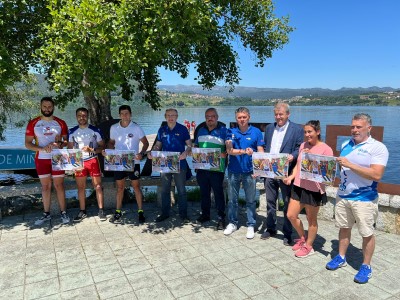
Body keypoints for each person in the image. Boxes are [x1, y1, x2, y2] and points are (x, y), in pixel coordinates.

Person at [326, 113, 389, 284]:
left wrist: (350, 165)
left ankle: (366, 266)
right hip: (343, 195)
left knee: (366, 233)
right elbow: (342, 167)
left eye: (358, 127)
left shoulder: (377, 148)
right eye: (352, 126)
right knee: (344, 228)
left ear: (369, 128)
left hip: (364, 198)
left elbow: (377, 174)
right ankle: (341, 257)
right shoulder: (347, 144)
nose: (354, 130)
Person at [283, 120, 333, 257]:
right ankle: (302, 237)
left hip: (314, 190)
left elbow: (327, 173)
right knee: (291, 215)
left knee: (312, 220)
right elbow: (298, 166)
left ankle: (309, 247)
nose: (307, 134)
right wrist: (291, 177)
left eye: (310, 131)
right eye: (305, 132)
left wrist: (310, 159)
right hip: (299, 186)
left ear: (318, 132)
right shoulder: (303, 146)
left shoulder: (326, 149)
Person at [262, 102, 303, 245]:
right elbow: (266, 147)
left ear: (288, 114)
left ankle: (287, 233)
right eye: (276, 114)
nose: (278, 117)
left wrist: (293, 155)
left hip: (286, 173)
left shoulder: (297, 129)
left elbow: (300, 148)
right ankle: (271, 228)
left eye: (281, 114)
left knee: (287, 203)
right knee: (270, 202)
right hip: (270, 172)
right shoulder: (268, 128)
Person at [25, 97, 70, 225]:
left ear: (53, 107)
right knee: (45, 187)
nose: (47, 109)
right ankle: (46, 214)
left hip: (58, 157)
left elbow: (66, 142)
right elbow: (28, 144)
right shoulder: (33, 123)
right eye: (44, 107)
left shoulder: (61, 122)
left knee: (59, 186)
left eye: (49, 107)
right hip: (41, 159)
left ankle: (63, 213)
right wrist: (42, 148)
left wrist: (59, 142)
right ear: (40, 107)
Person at [223, 107, 265, 239]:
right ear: (236, 119)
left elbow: (261, 151)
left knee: (251, 200)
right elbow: (229, 150)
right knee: (232, 200)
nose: (242, 120)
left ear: (249, 118)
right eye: (239, 117)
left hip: (250, 172)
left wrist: (258, 167)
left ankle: (251, 224)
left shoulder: (257, 132)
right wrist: (242, 151)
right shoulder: (230, 132)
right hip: (233, 171)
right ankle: (232, 223)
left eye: (244, 117)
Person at [148, 108, 192, 223]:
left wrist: (186, 152)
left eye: (173, 115)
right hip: (164, 164)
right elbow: (158, 145)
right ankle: (165, 213)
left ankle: (183, 214)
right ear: (165, 116)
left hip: (180, 163)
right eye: (168, 115)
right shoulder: (162, 130)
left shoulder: (182, 129)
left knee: (181, 190)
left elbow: (189, 145)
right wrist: (154, 152)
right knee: (165, 190)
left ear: (177, 117)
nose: (171, 117)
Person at [107, 105, 149, 224]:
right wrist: (109, 151)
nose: (124, 115)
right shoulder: (114, 128)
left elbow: (145, 143)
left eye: (127, 113)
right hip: (119, 162)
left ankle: (140, 211)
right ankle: (118, 212)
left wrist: (141, 153)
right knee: (120, 188)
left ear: (130, 114)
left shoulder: (136, 127)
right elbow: (111, 142)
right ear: (119, 115)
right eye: (122, 113)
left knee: (136, 187)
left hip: (134, 162)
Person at [68, 107, 107, 221]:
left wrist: (92, 149)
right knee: (81, 187)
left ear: (88, 116)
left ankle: (101, 210)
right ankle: (82, 211)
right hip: (79, 162)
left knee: (98, 186)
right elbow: (70, 150)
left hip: (93, 160)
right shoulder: (72, 131)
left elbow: (102, 147)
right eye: (80, 115)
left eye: (84, 115)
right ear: (76, 117)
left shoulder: (95, 130)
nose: (82, 118)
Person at [194, 108, 228, 230]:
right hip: (202, 168)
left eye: (212, 116)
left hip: (217, 169)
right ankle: (205, 215)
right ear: (205, 118)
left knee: (218, 193)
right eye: (208, 116)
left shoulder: (224, 130)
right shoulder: (201, 130)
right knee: (204, 193)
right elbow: (196, 146)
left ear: (217, 117)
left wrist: (226, 152)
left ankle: (221, 218)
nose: (210, 118)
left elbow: (229, 146)